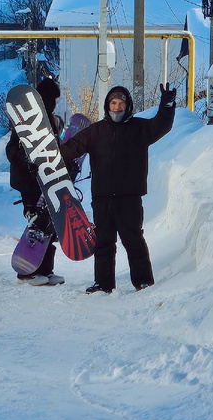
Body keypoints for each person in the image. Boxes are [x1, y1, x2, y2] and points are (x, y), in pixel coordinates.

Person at [61, 83, 176, 294]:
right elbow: (72, 148)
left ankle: (143, 281)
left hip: (129, 196)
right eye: (113, 103)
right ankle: (103, 284)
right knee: (103, 241)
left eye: (121, 103)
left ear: (128, 106)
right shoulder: (95, 131)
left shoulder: (140, 129)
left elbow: (162, 125)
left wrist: (167, 106)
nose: (116, 107)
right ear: (108, 106)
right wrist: (51, 155)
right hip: (102, 196)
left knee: (133, 240)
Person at [4, 77, 67, 286]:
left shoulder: (54, 122)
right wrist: (26, 160)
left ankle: (46, 271)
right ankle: (26, 272)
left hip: (47, 179)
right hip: (28, 181)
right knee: (36, 223)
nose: (55, 104)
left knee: (49, 225)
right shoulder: (26, 122)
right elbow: (12, 150)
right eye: (54, 99)